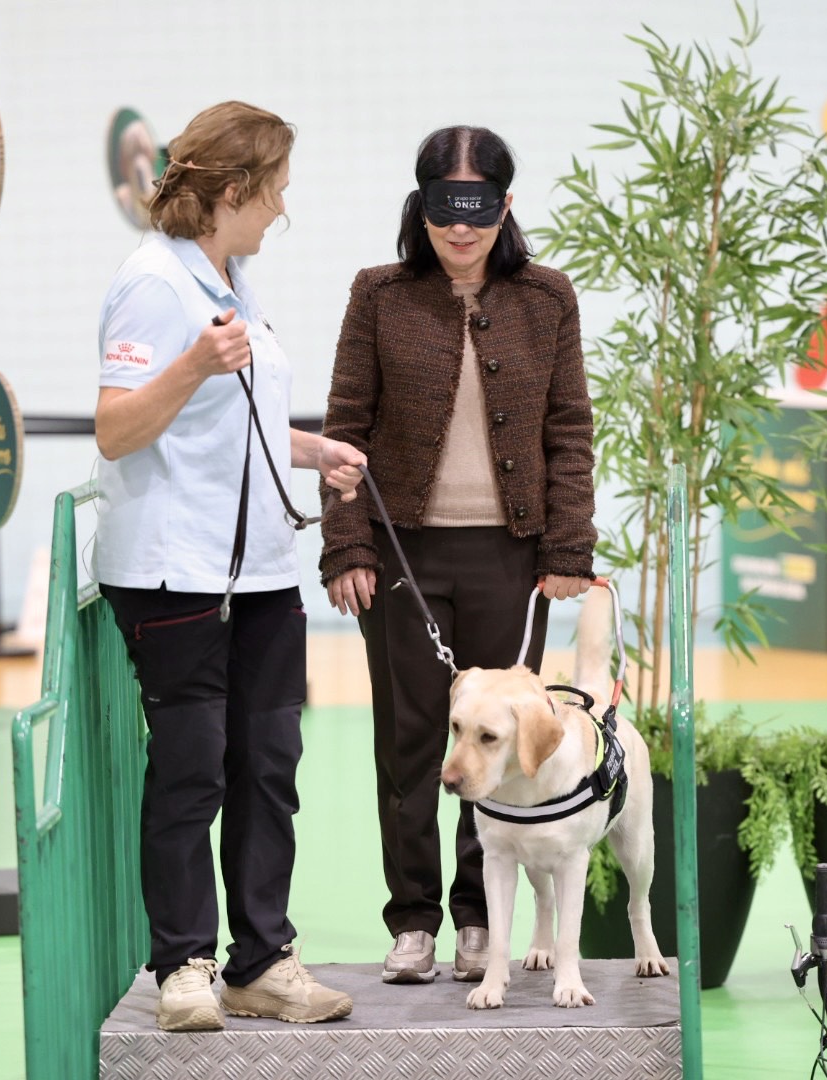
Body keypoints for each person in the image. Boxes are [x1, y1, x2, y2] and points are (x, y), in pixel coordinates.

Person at [93, 100, 364, 1032]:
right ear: (233, 190)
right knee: (193, 768)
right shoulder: (151, 284)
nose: (282, 207)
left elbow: (234, 423)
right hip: (174, 569)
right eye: (276, 188)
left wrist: (313, 451)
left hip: (258, 571)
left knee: (269, 763)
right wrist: (191, 367)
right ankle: (183, 967)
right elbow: (116, 427)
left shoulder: (231, 277)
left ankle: (262, 962)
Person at [319, 126, 597, 984]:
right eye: (446, 207)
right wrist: (346, 545)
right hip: (402, 552)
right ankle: (413, 922)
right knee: (408, 740)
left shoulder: (547, 298)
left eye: (479, 207)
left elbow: (569, 429)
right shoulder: (379, 294)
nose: (462, 227)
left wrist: (569, 544)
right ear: (423, 205)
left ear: (506, 206)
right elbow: (346, 428)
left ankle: (481, 921)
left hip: (512, 557)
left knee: (499, 741)